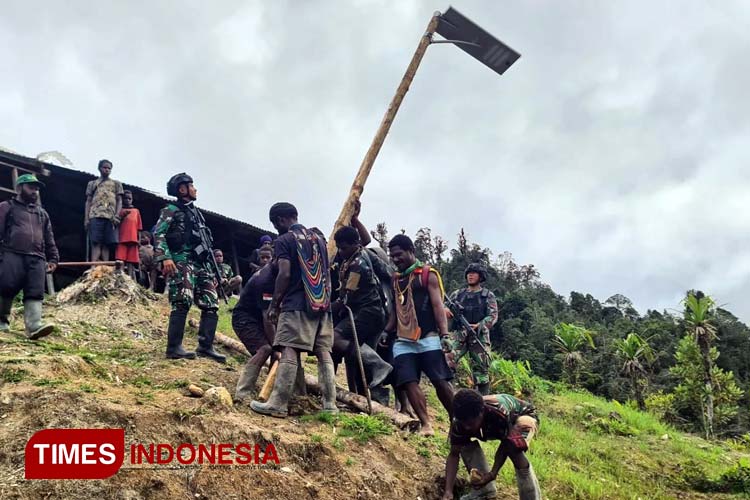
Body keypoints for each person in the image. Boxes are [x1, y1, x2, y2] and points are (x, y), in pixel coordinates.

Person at [250, 202, 337, 417]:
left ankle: (278, 404)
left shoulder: (284, 240)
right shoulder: (319, 239)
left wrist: (274, 304)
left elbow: (285, 274)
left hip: (296, 304)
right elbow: (326, 274)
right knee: (323, 352)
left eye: (274, 223)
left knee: (289, 348)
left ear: (280, 220)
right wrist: (325, 301)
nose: (275, 228)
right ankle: (330, 406)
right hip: (322, 305)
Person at [153, 173, 225, 363]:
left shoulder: (197, 213)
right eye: (191, 186)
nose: (195, 189)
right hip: (180, 260)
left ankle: (205, 346)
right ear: (182, 189)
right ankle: (173, 348)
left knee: (211, 303)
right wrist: (165, 258)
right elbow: (158, 234)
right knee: (182, 300)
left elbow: (205, 244)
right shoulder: (171, 209)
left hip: (200, 264)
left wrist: (212, 269)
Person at [386, 234, 453, 436]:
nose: (396, 259)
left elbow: (437, 306)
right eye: (393, 256)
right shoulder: (396, 279)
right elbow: (395, 310)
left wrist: (444, 334)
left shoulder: (427, 275)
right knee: (408, 380)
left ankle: (456, 420)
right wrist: (387, 330)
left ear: (410, 251)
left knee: (440, 380)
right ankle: (426, 424)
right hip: (403, 340)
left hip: (428, 337)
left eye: (399, 255)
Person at [442, 389, 541, 500]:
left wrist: (492, 474)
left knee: (514, 447)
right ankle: (485, 491)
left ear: (481, 413)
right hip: (496, 424)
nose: (467, 427)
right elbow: (454, 454)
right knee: (463, 443)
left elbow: (505, 445)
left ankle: (531, 497)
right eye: (463, 423)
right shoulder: (459, 421)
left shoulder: (499, 413)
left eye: (470, 423)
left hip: (523, 415)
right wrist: (448, 490)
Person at [331, 225, 392, 393]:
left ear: (354, 244)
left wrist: (324, 308)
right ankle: (367, 396)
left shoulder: (358, 265)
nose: (341, 252)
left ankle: (378, 364)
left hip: (367, 312)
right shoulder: (356, 255)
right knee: (354, 354)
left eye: (344, 248)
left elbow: (346, 298)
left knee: (335, 338)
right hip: (373, 312)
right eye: (339, 248)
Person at [0, 174, 59, 339]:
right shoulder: (6, 207)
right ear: (19, 188)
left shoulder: (42, 214)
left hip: (37, 258)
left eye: (37, 189)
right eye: (31, 187)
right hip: (12, 253)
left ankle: (34, 326)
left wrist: (53, 258)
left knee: (35, 290)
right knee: (5, 286)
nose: (35, 191)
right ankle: (1, 322)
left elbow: (49, 238)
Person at [447, 263, 499, 395]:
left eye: (474, 273)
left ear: (480, 277)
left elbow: (493, 315)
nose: (470, 275)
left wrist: (479, 325)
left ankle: (483, 403)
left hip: (479, 335)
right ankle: (449, 395)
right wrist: (447, 312)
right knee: (448, 360)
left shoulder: (487, 295)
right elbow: (444, 308)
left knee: (481, 371)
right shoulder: (458, 294)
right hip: (460, 334)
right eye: (469, 273)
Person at [233, 260, 280, 401]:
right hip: (245, 318)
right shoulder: (264, 280)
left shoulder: (279, 274)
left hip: (261, 317)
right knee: (266, 348)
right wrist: (276, 347)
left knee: (278, 352)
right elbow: (268, 318)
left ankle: (272, 392)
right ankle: (242, 392)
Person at [84, 159, 123, 263]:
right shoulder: (92, 183)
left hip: (110, 217)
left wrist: (117, 215)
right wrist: (86, 218)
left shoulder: (116, 183)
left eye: (109, 168)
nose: (107, 170)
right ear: (99, 168)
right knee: (95, 242)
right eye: (104, 167)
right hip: (95, 215)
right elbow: (88, 201)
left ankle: (105, 267)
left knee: (107, 243)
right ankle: (93, 266)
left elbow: (119, 201)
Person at [115, 190, 142, 279]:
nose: (127, 200)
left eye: (129, 198)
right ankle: (121, 277)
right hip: (122, 238)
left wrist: (139, 239)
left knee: (131, 260)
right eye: (125, 198)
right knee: (120, 259)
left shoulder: (136, 211)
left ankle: (129, 278)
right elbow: (116, 224)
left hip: (133, 239)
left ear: (132, 200)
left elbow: (139, 227)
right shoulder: (120, 211)